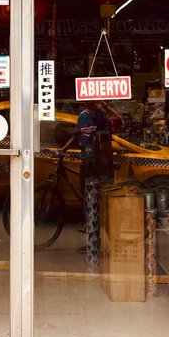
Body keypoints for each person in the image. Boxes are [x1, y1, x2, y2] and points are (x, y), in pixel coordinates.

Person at [73, 101, 123, 266]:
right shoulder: (82, 116)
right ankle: (92, 242)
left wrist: (105, 106)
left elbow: (120, 121)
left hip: (101, 166)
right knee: (88, 204)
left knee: (102, 204)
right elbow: (76, 134)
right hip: (87, 163)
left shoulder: (102, 115)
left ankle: (103, 242)